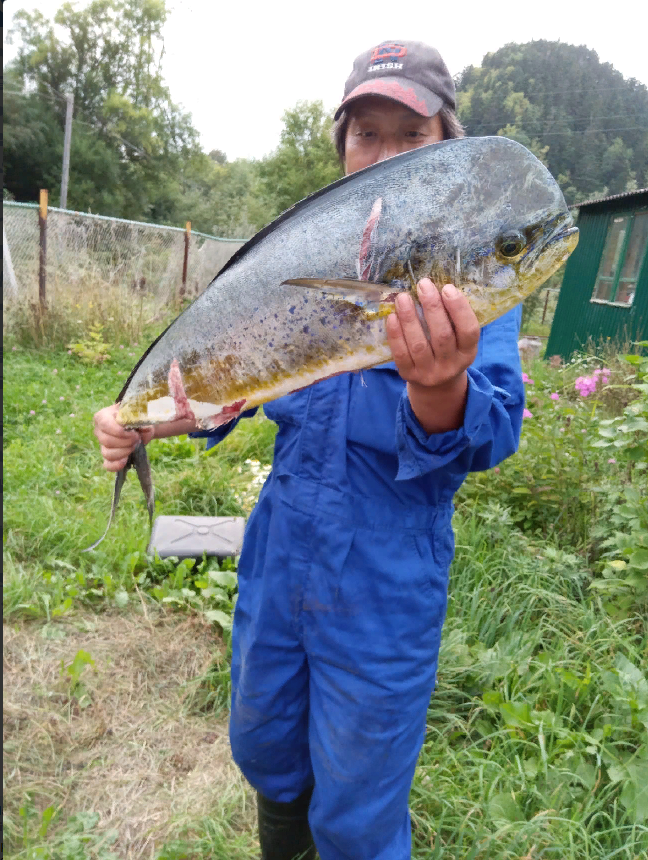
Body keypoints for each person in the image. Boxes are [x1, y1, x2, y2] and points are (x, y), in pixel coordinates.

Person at [93, 41, 525, 860]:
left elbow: (493, 430)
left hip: (385, 582)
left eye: (412, 134)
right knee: (266, 746)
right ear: (342, 149)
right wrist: (142, 420)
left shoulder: (466, 278)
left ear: (449, 147)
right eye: (367, 134)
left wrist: (439, 386)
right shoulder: (308, 260)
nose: (387, 155)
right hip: (279, 550)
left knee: (359, 804)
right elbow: (237, 384)